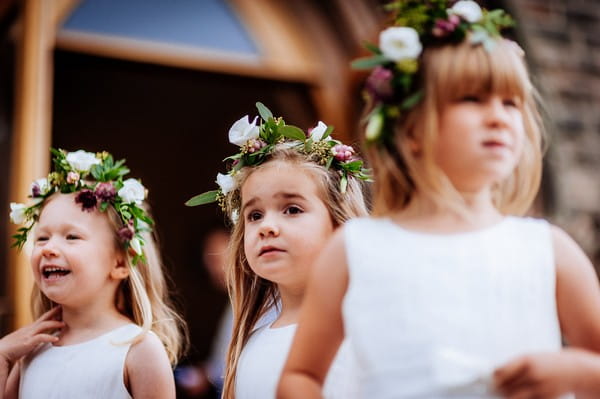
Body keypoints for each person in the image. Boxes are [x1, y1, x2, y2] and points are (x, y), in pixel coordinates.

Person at [277, 1, 600, 398]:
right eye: (472, 99)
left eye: (510, 102)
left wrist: (573, 370)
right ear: (410, 128)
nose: (499, 117)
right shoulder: (355, 251)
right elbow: (301, 377)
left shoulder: (548, 250)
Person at [186, 102, 370, 399]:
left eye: (292, 209)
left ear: (338, 224)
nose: (266, 226)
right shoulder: (250, 340)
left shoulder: (363, 329)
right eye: (254, 215)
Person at [1, 148, 187, 398]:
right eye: (42, 238)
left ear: (120, 263)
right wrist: (2, 355)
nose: (49, 249)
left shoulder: (137, 349)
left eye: (72, 237)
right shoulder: (32, 351)